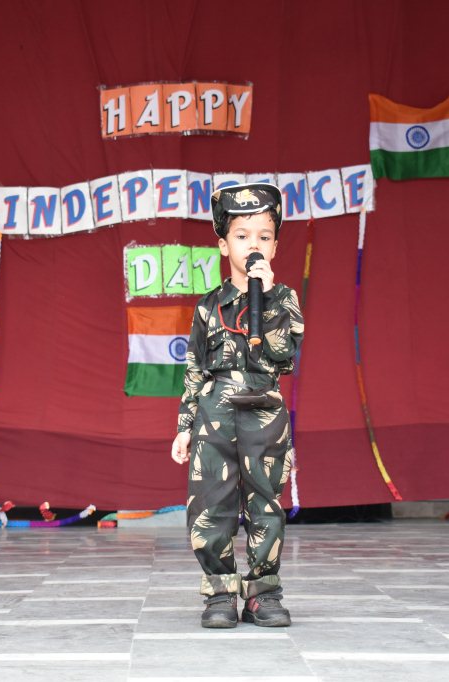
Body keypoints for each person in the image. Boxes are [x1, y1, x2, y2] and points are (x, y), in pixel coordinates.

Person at [170, 182, 304, 628]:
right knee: (211, 503)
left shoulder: (284, 299)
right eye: (242, 235)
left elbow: (283, 356)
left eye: (264, 236)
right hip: (215, 412)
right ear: (223, 244)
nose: (253, 245)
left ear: (275, 246)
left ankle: (264, 592)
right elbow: (194, 369)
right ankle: (221, 592)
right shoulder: (208, 306)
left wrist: (268, 298)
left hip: (264, 409)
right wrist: (185, 426)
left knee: (266, 502)